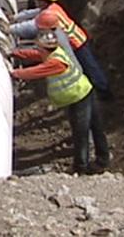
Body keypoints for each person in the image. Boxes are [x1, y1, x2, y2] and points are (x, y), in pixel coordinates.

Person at [9, 12, 107, 174]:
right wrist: (17, 53)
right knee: (94, 127)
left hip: (79, 95)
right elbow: (37, 55)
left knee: (81, 132)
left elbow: (37, 71)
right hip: (82, 91)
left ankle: (81, 168)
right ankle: (102, 159)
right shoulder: (54, 47)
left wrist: (16, 74)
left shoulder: (55, 61)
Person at [12, 0, 112, 100]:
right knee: (88, 67)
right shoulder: (54, 7)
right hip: (78, 39)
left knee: (89, 68)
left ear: (43, 1)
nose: (35, 2)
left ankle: (103, 92)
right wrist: (15, 18)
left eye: (37, 0)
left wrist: (10, 29)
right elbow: (32, 13)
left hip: (75, 43)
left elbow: (31, 26)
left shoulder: (48, 14)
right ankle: (97, 91)